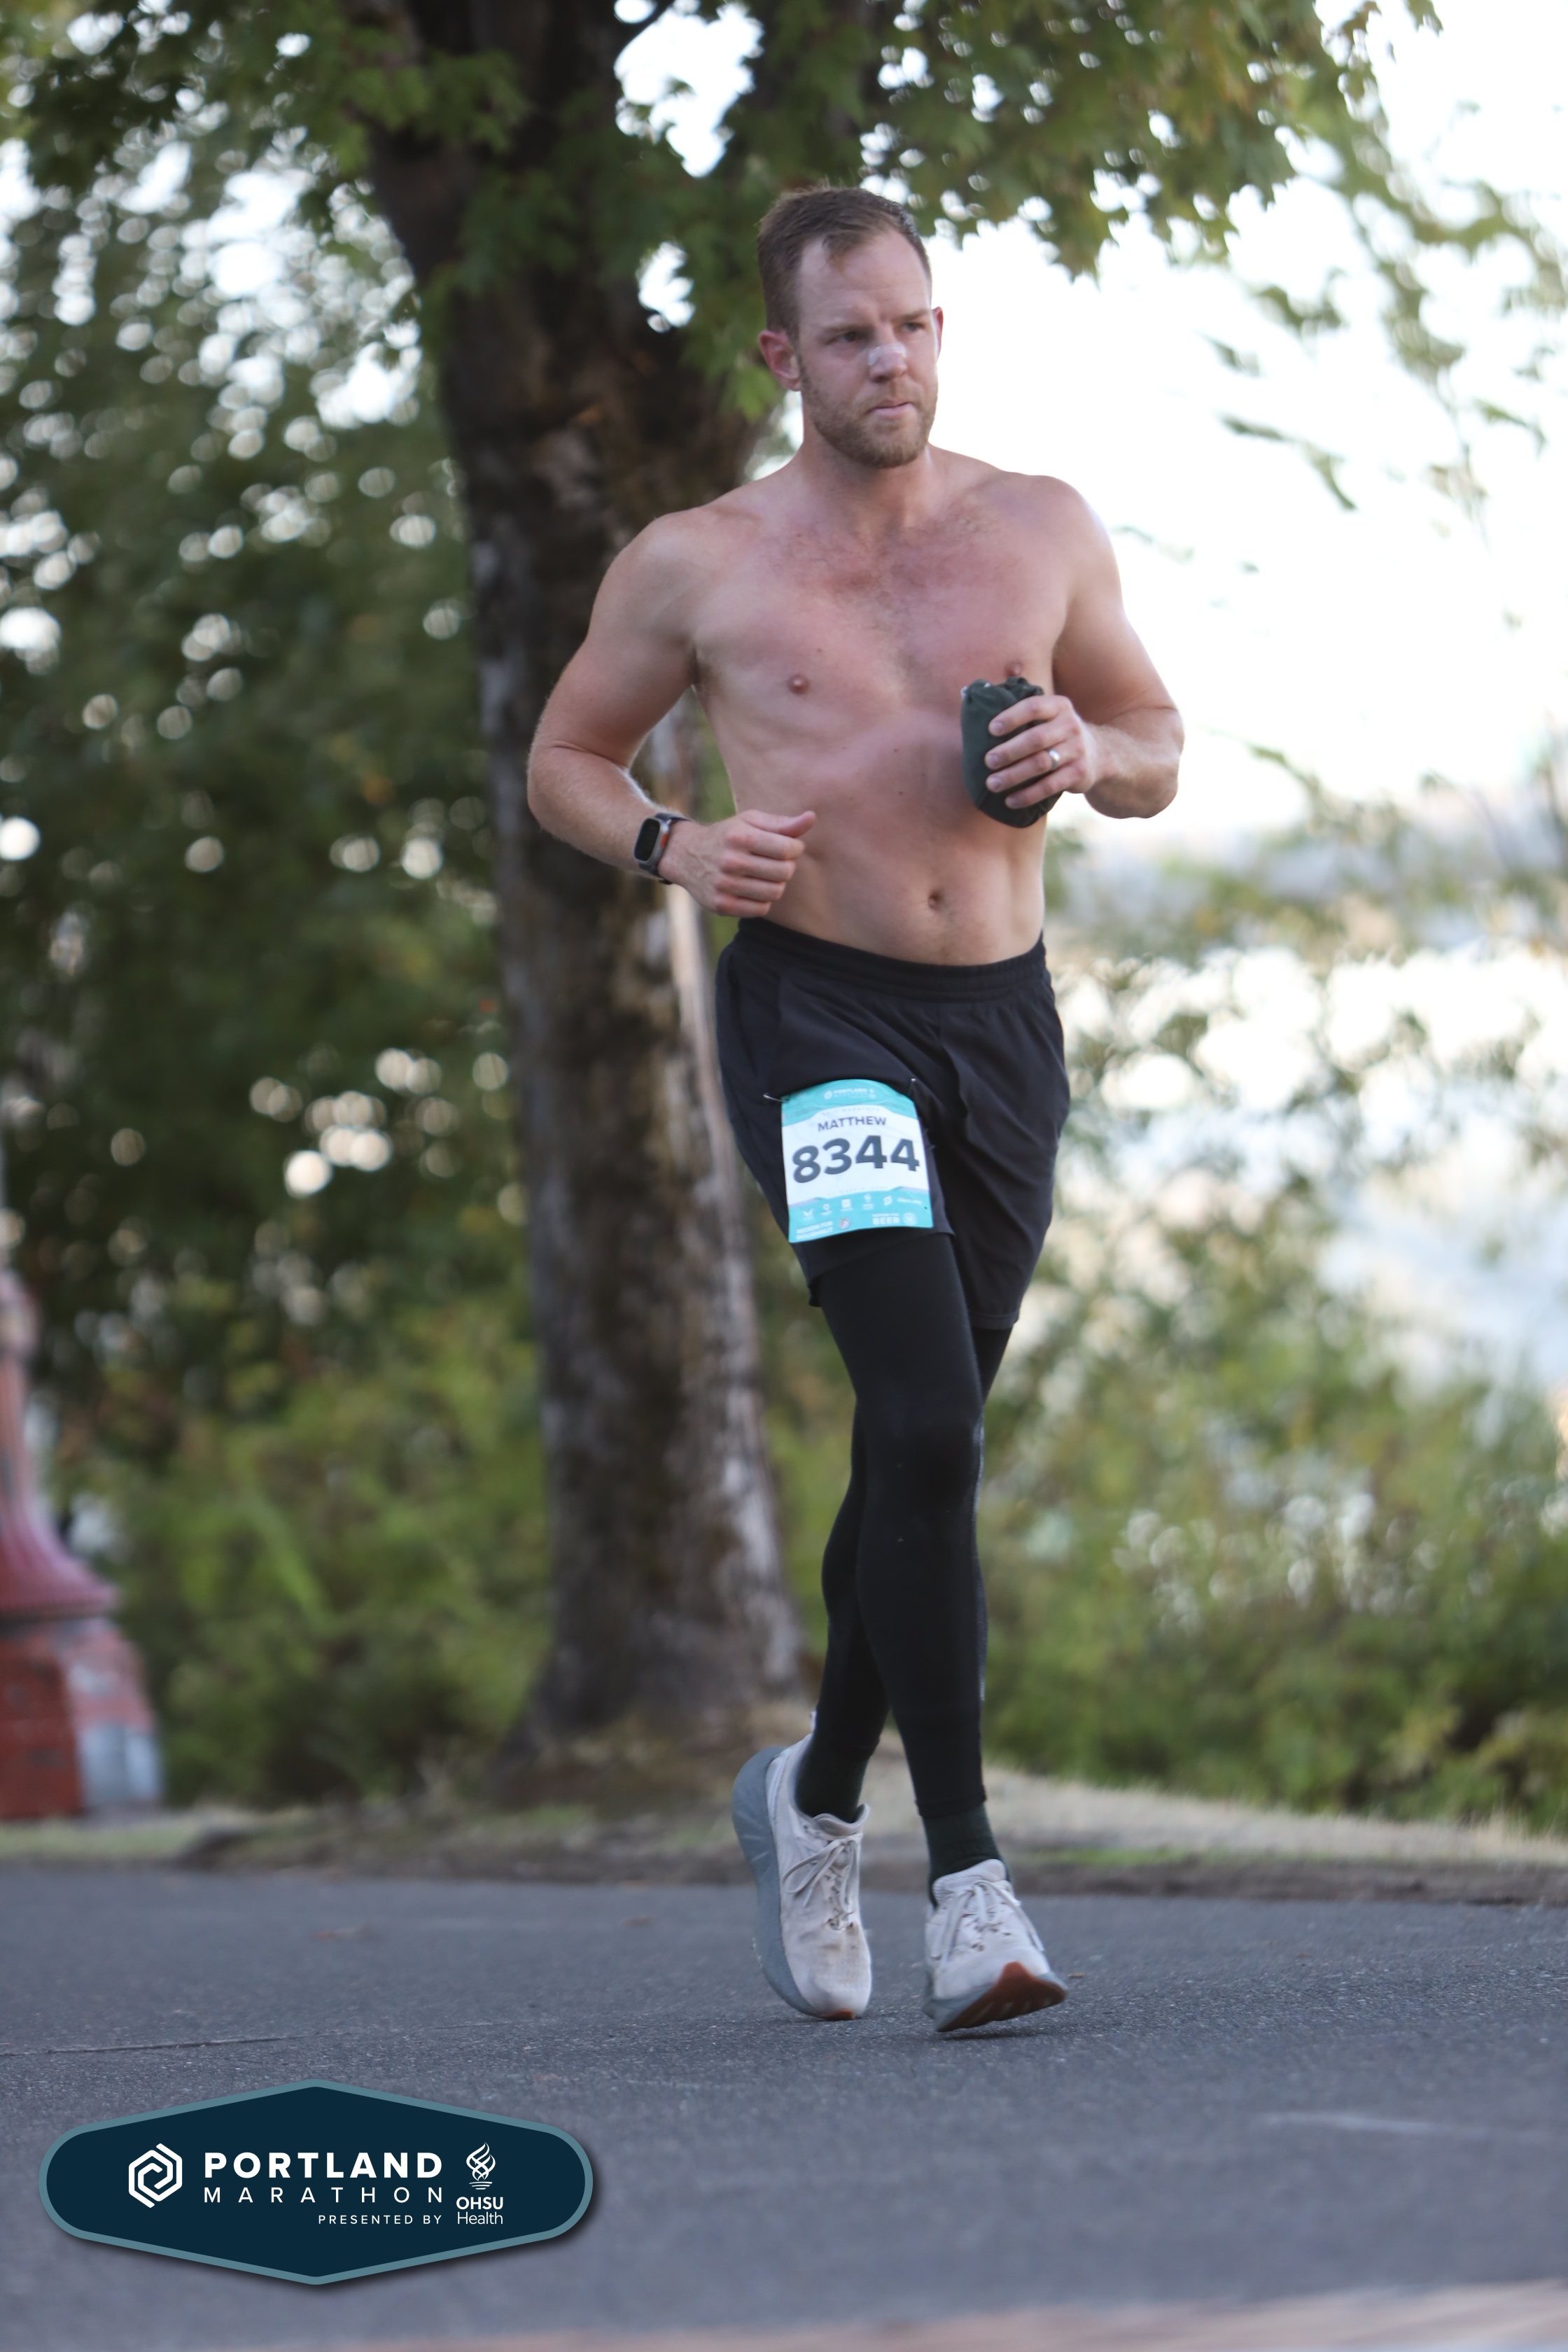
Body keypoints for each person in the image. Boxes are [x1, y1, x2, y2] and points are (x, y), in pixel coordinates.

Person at [528, 185, 1181, 2032]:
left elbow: (1156, 742)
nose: (888, 359)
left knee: (926, 1446)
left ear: (937, 329)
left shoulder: (1041, 528)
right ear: (783, 357)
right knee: (917, 1411)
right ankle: (969, 1887)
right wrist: (675, 843)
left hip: (1002, 1027)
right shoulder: (700, 561)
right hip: (817, 1014)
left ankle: (809, 1796)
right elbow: (564, 758)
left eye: (910, 324)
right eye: (848, 336)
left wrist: (1092, 750)